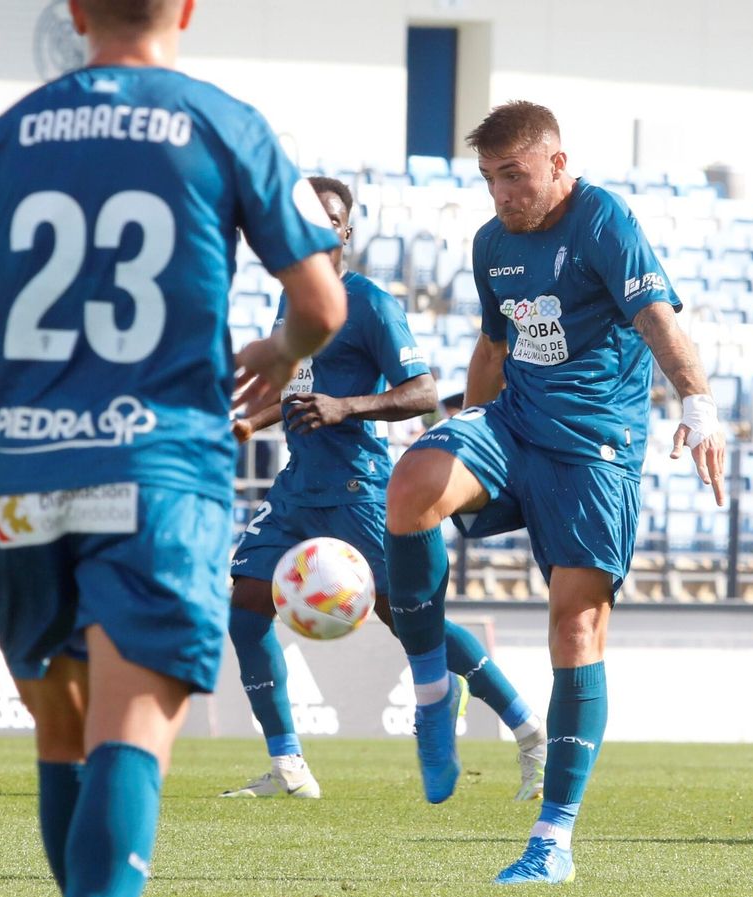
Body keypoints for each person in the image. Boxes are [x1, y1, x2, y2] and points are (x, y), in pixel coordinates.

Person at [0, 1, 347, 894]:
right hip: (157, 467)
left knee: (62, 736)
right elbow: (321, 306)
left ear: (75, 12)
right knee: (128, 730)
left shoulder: (12, 132)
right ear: (190, 9)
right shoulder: (224, 122)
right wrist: (279, 356)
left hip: (26, 470)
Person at [383, 101, 726, 885]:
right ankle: (435, 690)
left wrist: (697, 405)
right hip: (512, 424)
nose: (503, 192)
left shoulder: (602, 218)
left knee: (575, 633)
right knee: (411, 487)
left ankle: (553, 839)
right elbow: (494, 343)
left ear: (557, 163)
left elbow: (659, 319)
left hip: (593, 453)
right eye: (490, 178)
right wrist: (465, 427)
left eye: (516, 174)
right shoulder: (492, 244)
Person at [221, 176, 548, 803]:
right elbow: (296, 394)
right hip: (298, 489)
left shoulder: (367, 302)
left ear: (346, 231)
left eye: (330, 216)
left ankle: (529, 731)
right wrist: (243, 423)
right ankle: (289, 768)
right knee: (246, 610)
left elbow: (424, 393)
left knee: (413, 623)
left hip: (358, 490)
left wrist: (348, 407)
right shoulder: (293, 303)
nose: (318, 224)